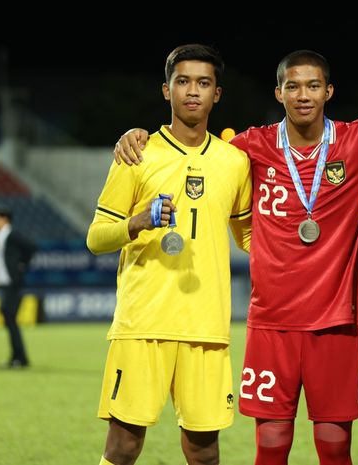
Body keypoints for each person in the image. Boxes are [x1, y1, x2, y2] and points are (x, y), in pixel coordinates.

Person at [113, 50, 358, 465]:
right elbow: (197, 149)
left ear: (328, 91)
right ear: (279, 93)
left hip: (335, 320)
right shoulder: (248, 148)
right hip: (271, 319)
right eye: (293, 86)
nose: (303, 95)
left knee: (333, 443)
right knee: (272, 440)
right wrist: (138, 134)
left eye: (313, 85)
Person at [86, 44, 252, 465]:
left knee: (204, 452)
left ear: (217, 94)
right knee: (122, 446)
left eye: (203, 82)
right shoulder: (137, 153)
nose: (192, 91)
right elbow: (96, 238)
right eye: (182, 81)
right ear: (166, 90)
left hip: (206, 325)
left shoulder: (234, 162)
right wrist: (135, 223)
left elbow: (250, 236)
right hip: (143, 322)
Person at [0, 204, 36, 369]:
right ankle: (17, 357)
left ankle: (20, 358)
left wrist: (22, 264)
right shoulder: (0, 236)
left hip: (11, 283)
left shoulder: (11, 234)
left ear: (4, 219)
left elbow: (32, 246)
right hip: (3, 282)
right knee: (9, 319)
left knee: (10, 319)